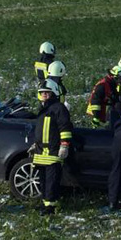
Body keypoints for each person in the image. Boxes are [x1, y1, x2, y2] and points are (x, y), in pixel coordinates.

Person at [27, 79, 74, 215]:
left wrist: (64, 145)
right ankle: (45, 204)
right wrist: (35, 144)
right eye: (42, 93)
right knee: (43, 181)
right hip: (41, 152)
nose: (44, 95)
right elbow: (41, 130)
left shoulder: (59, 108)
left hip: (53, 152)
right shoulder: (43, 110)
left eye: (47, 93)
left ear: (53, 94)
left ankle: (51, 207)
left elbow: (65, 127)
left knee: (51, 182)